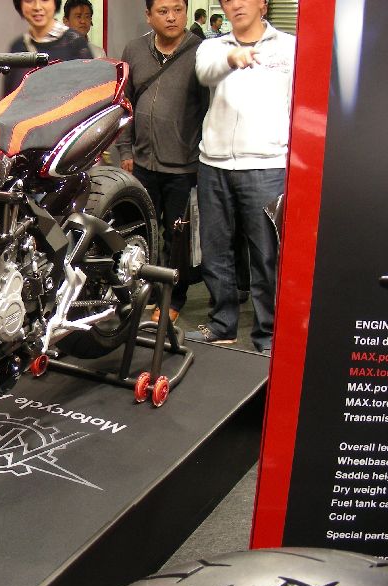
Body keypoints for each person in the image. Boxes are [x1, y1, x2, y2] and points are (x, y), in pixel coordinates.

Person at [187, 0, 295, 353]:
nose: (236, 4)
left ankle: (269, 335)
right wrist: (232, 59)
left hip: (267, 165)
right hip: (214, 164)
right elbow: (206, 73)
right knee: (215, 251)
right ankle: (222, 325)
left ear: (263, 3)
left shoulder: (289, 48)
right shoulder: (212, 47)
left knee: (266, 256)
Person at [116, 0, 208, 324]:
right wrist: (125, 151)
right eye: (163, 11)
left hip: (184, 166)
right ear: (148, 16)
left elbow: (208, 110)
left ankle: (174, 297)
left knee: (177, 238)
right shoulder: (134, 50)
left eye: (178, 10)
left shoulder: (200, 52)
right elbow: (124, 104)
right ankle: (147, 293)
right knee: (143, 232)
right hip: (142, 163)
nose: (171, 17)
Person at [5, 0, 92, 96]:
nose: (37, 7)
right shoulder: (17, 47)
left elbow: (91, 94)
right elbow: (8, 99)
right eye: (29, 0)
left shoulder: (75, 43)